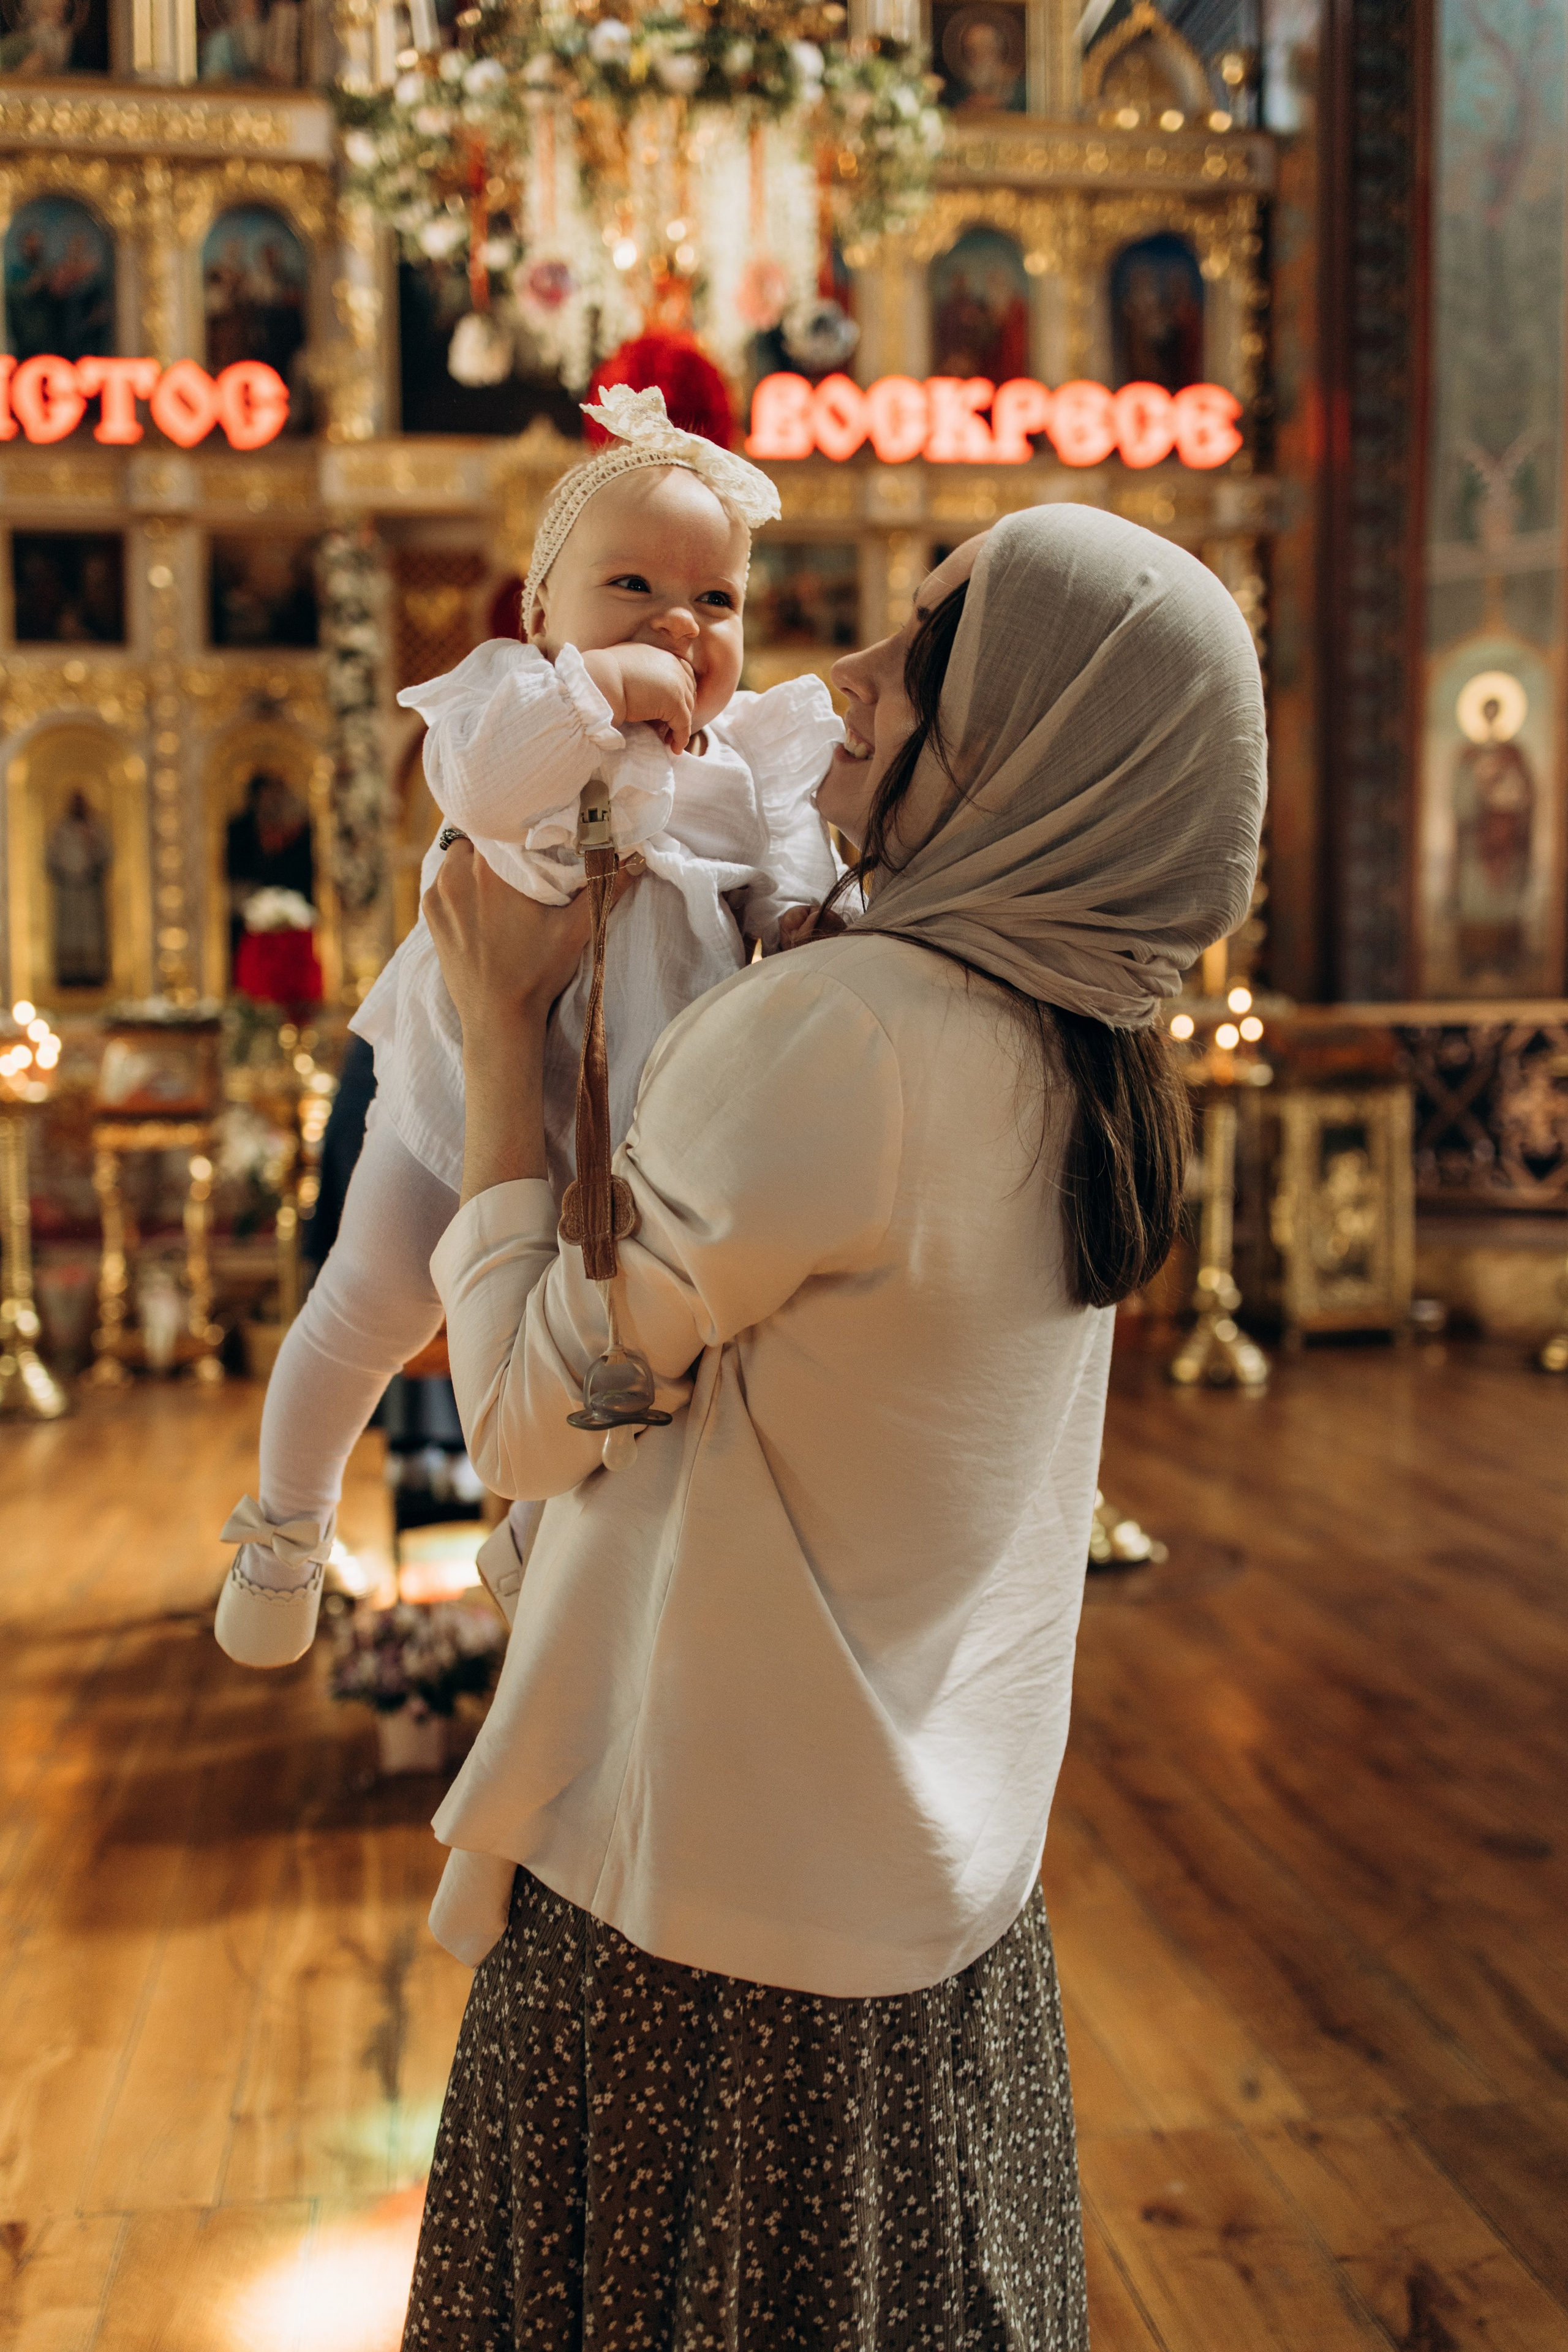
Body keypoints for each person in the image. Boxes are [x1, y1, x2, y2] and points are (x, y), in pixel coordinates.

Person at [401, 504, 1267, 2343]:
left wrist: (494, 1041)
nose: (843, 688)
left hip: (709, 1939)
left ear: (1038, 749)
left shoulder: (855, 1029)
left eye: (923, 664)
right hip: (936, 1918)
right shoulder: (1086, 1041)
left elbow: (527, 1412)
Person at [214, 385, 840, 1666]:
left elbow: (790, 878)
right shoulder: (517, 705)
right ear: (539, 610)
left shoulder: (744, 765)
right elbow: (480, 786)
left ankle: (546, 1557)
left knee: (600, 1362)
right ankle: (285, 1531)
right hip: (463, 1100)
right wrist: (594, 690)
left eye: (714, 600)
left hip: (640, 1130)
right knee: (368, 1304)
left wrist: (797, 923)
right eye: (631, 591)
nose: (678, 625)